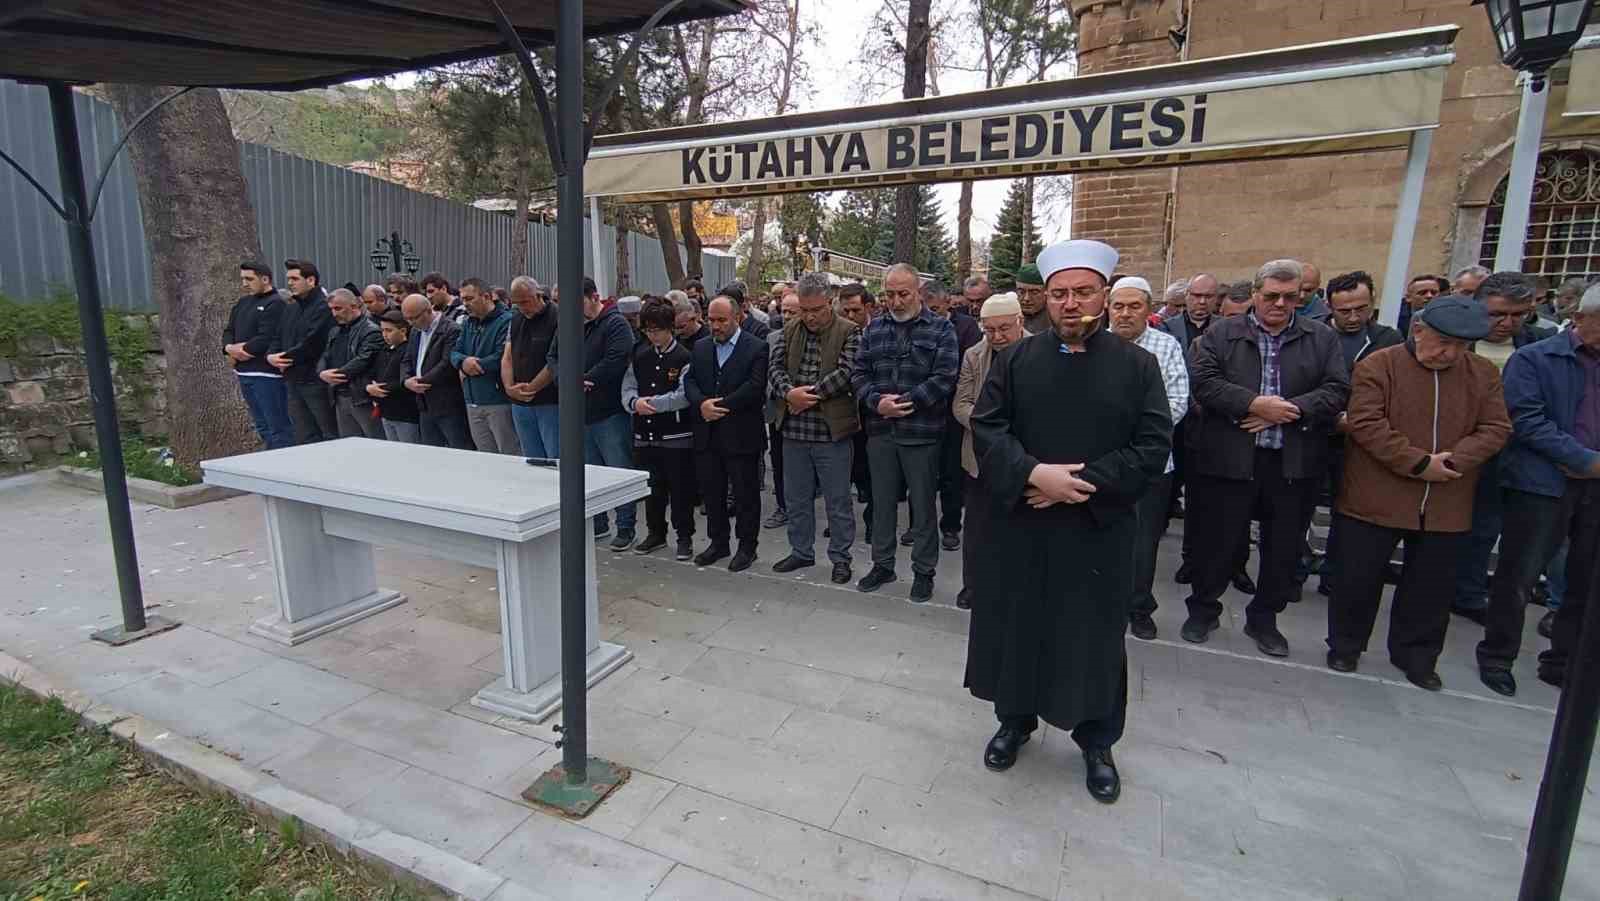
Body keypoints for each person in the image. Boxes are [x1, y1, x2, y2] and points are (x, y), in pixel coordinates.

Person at [966, 238, 1172, 805]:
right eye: (1060, 294)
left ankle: (1097, 740)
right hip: (1024, 528)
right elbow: (988, 430)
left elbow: (1153, 446)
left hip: (1096, 532)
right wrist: (1035, 474)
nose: (1071, 303)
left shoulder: (1139, 365)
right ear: (1046, 300)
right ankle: (1016, 721)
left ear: (1105, 297)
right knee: (1020, 624)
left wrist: (1076, 487)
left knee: (1093, 637)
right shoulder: (1015, 361)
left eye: (1083, 292)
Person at [1328, 295, 1511, 690]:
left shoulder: (1482, 374)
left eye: (1461, 346)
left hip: (1447, 498)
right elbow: (1366, 422)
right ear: (1419, 330)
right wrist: (1417, 462)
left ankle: (1418, 655)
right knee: (1357, 579)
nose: (1450, 353)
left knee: (1431, 587)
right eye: (1443, 342)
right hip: (1375, 496)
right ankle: (1346, 645)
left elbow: (1496, 428)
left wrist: (1455, 460)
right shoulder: (1380, 365)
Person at [1182, 259, 1350, 656]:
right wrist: (1253, 404)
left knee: (1283, 547)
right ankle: (1203, 610)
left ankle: (1264, 619)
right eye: (1271, 295)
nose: (1280, 303)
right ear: (1256, 293)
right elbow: (1203, 383)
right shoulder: (1223, 333)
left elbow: (1337, 388)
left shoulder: (1321, 338)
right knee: (1217, 543)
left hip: (1292, 462)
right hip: (1230, 459)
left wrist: (1288, 409)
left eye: (1290, 297)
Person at [1477, 283, 1600, 696]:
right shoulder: (1534, 359)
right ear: (1580, 319)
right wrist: (1583, 459)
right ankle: (1497, 656)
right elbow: (1525, 419)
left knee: (1585, 578)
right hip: (1540, 484)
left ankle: (1563, 660)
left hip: (1596, 489)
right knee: (1519, 576)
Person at [851, 263, 960, 603]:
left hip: (922, 432)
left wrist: (905, 402)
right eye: (889, 294)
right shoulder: (874, 330)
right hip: (881, 430)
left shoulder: (941, 329)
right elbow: (859, 373)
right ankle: (882, 565)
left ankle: (923, 571)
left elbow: (945, 378)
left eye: (903, 294)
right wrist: (875, 402)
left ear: (918, 292)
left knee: (923, 506)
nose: (896, 301)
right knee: (882, 504)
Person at [1453, 271, 1555, 627]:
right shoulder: (1455, 340)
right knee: (1465, 528)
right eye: (1497, 314)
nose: (1506, 323)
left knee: (1501, 533)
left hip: (1522, 454)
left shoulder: (1542, 347)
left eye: (1517, 314)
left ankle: (1480, 595)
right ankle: (1456, 590)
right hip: (1463, 452)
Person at [1311, 270, 1404, 597]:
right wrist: (1331, 417)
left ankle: (1334, 574)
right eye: (1344, 310)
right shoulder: (1312, 335)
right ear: (1328, 306)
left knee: (1348, 511)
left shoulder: (1389, 341)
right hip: (1312, 433)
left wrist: (1361, 420)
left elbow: (1395, 392)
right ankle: (1293, 570)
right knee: (1297, 507)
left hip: (1360, 442)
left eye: (1361, 309)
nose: (1353, 317)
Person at [1107, 277, 1188, 641]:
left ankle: (1138, 606)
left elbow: (1176, 403)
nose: (1125, 314)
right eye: (1118, 306)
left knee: (1143, 542)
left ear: (1149, 309)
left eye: (1134, 306)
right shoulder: (1093, 345)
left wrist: (1129, 433)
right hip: (1100, 463)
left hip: (1150, 465)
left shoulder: (1165, 347)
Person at [769, 272, 862, 584]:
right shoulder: (789, 328)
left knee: (838, 501)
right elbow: (776, 366)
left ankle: (840, 557)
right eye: (805, 310)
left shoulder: (850, 331)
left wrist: (808, 396)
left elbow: (847, 372)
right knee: (796, 497)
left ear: (830, 303)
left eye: (816, 310)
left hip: (830, 432)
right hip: (793, 429)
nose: (809, 316)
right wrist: (787, 393)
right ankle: (801, 551)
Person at [548, 277, 638, 548]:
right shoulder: (567, 325)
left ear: (593, 297)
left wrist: (586, 378)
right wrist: (564, 378)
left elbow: (617, 358)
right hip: (579, 413)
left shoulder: (615, 323)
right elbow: (552, 357)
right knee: (588, 472)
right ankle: (597, 523)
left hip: (609, 412)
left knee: (618, 469)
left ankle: (625, 526)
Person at [952, 292, 1029, 610]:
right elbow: (961, 404)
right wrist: (991, 428)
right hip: (980, 457)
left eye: (1004, 329)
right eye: (989, 330)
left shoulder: (1041, 350)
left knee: (1020, 530)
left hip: (1025, 459)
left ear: (1020, 323)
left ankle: (1017, 586)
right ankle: (974, 585)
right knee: (978, 530)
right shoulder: (974, 354)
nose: (996, 337)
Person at [685, 295, 769, 571]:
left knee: (745, 495)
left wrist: (718, 406)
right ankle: (718, 542)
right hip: (708, 435)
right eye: (711, 320)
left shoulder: (756, 347)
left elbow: (754, 387)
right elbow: (691, 381)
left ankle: (747, 547)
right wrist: (701, 404)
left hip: (742, 435)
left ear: (737, 318)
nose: (716, 326)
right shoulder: (700, 347)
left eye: (722, 320)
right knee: (712, 493)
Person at [622, 299, 697, 561]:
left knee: (680, 490)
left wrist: (652, 404)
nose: (652, 335)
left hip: (675, 435)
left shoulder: (684, 357)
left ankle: (684, 535)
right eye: (648, 331)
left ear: (671, 329)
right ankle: (655, 532)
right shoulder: (640, 355)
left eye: (658, 330)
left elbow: (683, 395)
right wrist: (633, 402)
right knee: (652, 489)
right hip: (645, 435)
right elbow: (629, 386)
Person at [925, 281, 983, 551]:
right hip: (925, 410)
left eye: (936, 309)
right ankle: (919, 526)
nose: (932, 314)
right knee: (923, 475)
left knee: (951, 474)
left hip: (952, 411)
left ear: (948, 302)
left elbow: (967, 368)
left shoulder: (966, 327)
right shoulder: (919, 324)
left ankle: (950, 527)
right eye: (928, 309)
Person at [224, 260, 293, 449]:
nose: (245, 283)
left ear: (265, 279)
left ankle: (284, 468)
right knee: (262, 425)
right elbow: (229, 330)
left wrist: (244, 350)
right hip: (244, 373)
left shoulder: (276, 303)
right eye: (243, 279)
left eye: (249, 279)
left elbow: (266, 336)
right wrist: (229, 348)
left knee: (278, 427)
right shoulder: (243, 302)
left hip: (266, 375)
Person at [269, 259, 337, 444]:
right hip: (292, 379)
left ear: (311, 280)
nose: (290, 283)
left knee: (327, 433)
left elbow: (312, 343)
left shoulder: (324, 307)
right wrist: (271, 356)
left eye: (295, 278)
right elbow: (277, 335)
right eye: (288, 279)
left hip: (315, 380)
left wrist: (282, 358)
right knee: (303, 434)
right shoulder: (291, 308)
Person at [452, 277, 518, 455]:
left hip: (497, 400)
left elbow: (502, 356)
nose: (465, 304)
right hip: (472, 400)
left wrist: (476, 364)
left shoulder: (506, 321)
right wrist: (462, 362)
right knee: (485, 455)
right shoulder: (468, 323)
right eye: (462, 299)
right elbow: (455, 352)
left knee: (509, 453)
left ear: (487, 296)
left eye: (469, 299)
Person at [400, 293, 472, 449]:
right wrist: (406, 380)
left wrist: (421, 381)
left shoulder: (451, 329)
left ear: (428, 310)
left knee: (460, 448)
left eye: (414, 318)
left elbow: (447, 364)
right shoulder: (415, 331)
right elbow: (407, 359)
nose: (411, 323)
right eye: (407, 319)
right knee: (430, 451)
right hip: (424, 403)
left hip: (447, 402)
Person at [503, 276, 560, 459]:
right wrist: (509, 388)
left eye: (525, 302)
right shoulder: (516, 318)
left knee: (555, 458)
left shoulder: (557, 317)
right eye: (517, 303)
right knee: (532, 460)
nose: (522, 308)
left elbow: (556, 361)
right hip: (520, 403)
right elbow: (507, 356)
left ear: (538, 295)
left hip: (549, 401)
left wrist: (531, 389)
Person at [317, 288, 385, 439]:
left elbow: (364, 359)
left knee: (375, 441)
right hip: (340, 394)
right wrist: (321, 372)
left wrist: (336, 374)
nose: (334, 313)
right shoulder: (335, 332)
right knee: (349, 444)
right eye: (332, 309)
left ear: (354, 306)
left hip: (362, 396)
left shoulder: (371, 331)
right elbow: (325, 355)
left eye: (338, 308)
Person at [763, 290, 803, 531]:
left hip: (804, 410)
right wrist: (781, 395)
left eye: (792, 311)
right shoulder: (772, 338)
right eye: (784, 311)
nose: (786, 316)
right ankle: (782, 506)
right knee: (778, 461)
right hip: (778, 410)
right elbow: (768, 372)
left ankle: (800, 506)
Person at [368, 309, 420, 442]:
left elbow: (407, 379)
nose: (384, 335)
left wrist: (382, 388)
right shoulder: (384, 350)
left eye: (389, 330)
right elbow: (375, 374)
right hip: (386, 411)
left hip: (405, 412)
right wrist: (369, 387)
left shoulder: (409, 350)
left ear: (403, 331)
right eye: (383, 330)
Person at [1015, 263, 1049, 335]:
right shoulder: (1008, 317)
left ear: (1046, 292)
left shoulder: (1057, 323)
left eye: (1034, 292)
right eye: (1021, 292)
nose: (1026, 298)